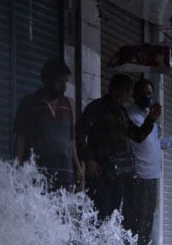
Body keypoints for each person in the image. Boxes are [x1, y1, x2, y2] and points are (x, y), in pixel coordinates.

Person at [77, 73, 162, 220]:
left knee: (112, 217)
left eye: (129, 90)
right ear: (115, 89)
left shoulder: (122, 112)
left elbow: (137, 136)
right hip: (99, 173)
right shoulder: (97, 108)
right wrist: (89, 160)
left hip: (118, 174)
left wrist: (151, 119)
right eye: (126, 90)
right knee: (99, 216)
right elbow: (79, 133)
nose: (129, 94)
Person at [122, 79, 172, 245]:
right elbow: (136, 139)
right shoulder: (131, 116)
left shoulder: (147, 118)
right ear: (135, 95)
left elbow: (156, 143)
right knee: (135, 223)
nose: (148, 97)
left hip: (151, 177)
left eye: (150, 93)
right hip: (139, 177)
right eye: (145, 93)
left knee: (146, 223)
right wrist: (151, 118)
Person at [14, 58, 83, 191]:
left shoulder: (69, 105)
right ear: (46, 80)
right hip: (37, 175)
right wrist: (17, 167)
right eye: (59, 82)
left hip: (65, 175)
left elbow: (71, 141)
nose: (63, 86)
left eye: (65, 82)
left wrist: (78, 167)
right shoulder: (29, 103)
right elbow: (20, 138)